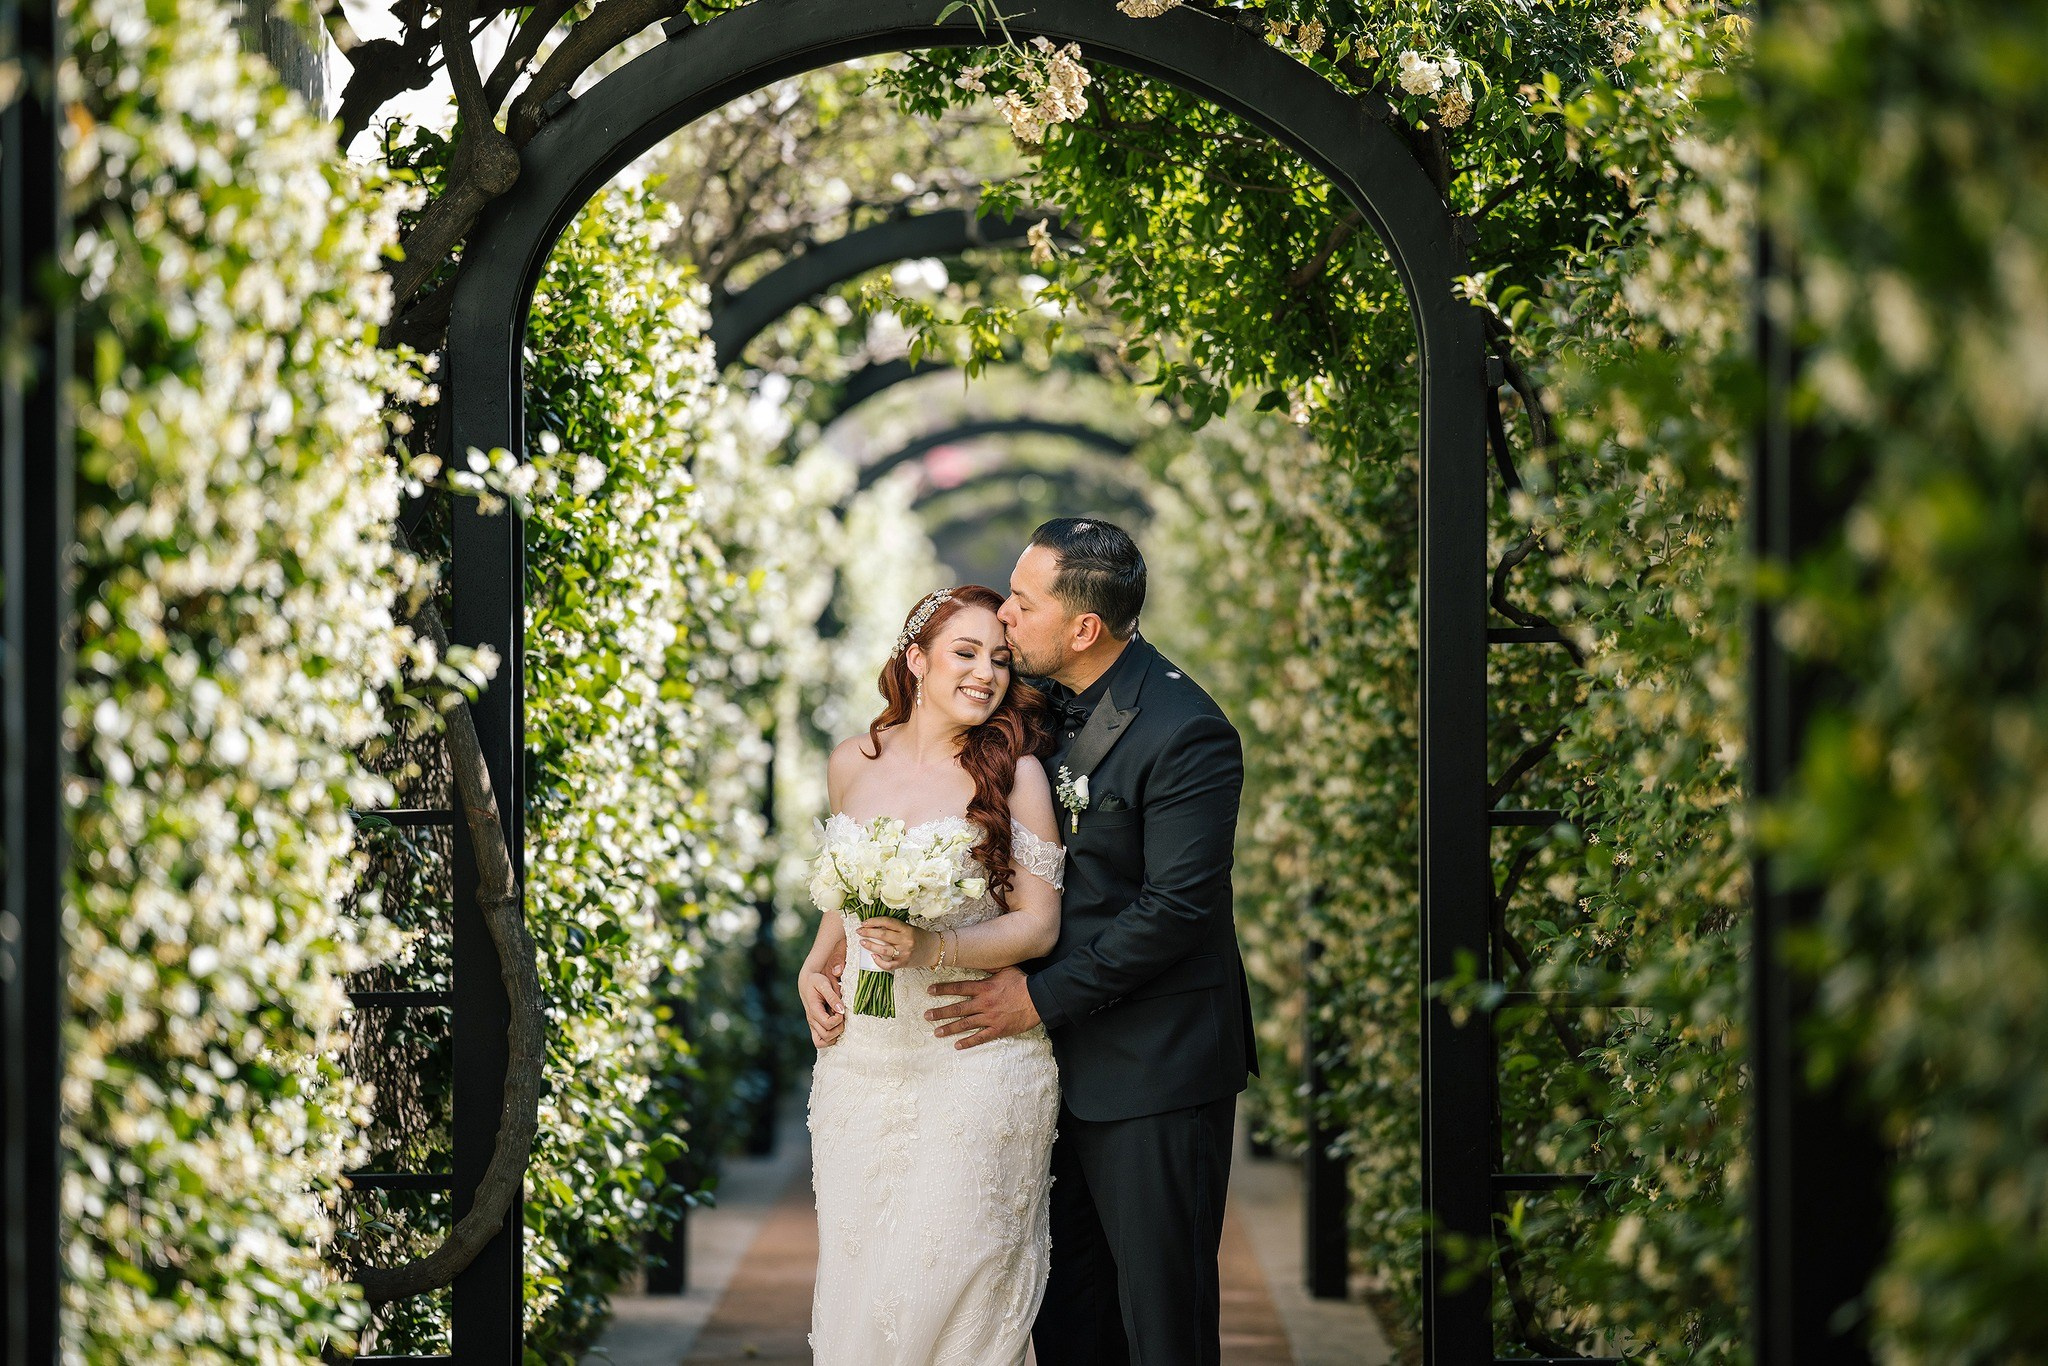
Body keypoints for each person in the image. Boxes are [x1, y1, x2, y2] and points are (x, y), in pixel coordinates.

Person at [926, 517, 1258, 1366]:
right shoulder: (1028, 705)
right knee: (1066, 1318)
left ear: (1083, 628)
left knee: (1160, 1324)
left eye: (1023, 602)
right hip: (1038, 1078)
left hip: (1153, 1069)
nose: (1003, 615)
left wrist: (1035, 998)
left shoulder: (1187, 730)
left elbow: (1176, 910)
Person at [796, 584, 1068, 1366]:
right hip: (863, 1064)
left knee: (956, 1275)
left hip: (974, 1058)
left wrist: (931, 950)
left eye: (1001, 660)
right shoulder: (851, 762)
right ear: (916, 660)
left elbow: (1039, 924)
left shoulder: (1015, 774)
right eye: (966, 652)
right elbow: (845, 897)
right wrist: (817, 962)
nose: (987, 673)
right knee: (864, 1283)